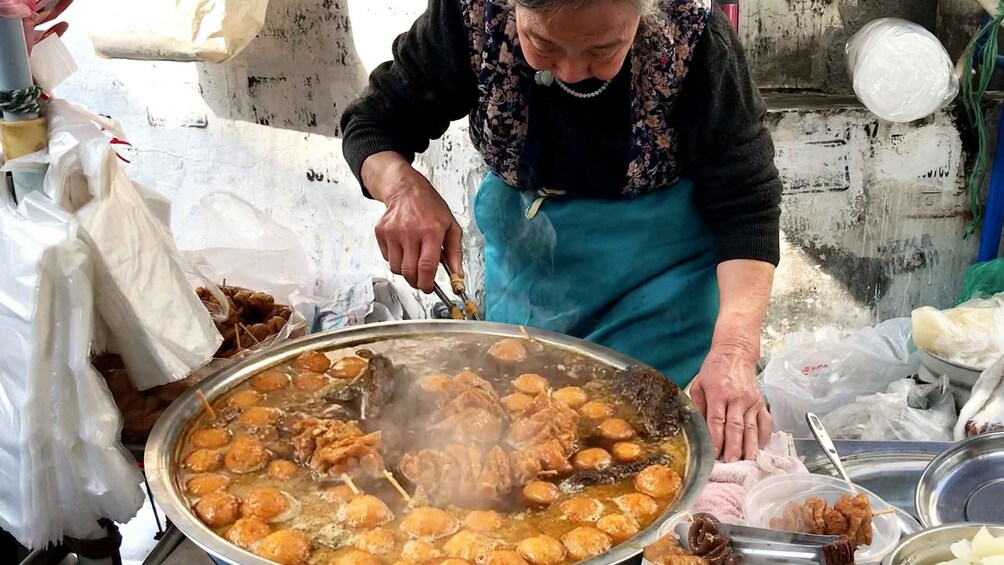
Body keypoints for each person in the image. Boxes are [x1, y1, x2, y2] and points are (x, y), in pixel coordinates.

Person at [340, 0, 781, 462]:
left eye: (603, 49)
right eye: (542, 44)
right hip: (526, 260)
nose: (571, 72)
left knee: (645, 447)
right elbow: (372, 123)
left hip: (659, 280)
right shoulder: (470, 15)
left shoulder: (692, 36)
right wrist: (402, 189)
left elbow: (747, 207)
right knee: (517, 435)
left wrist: (734, 351)